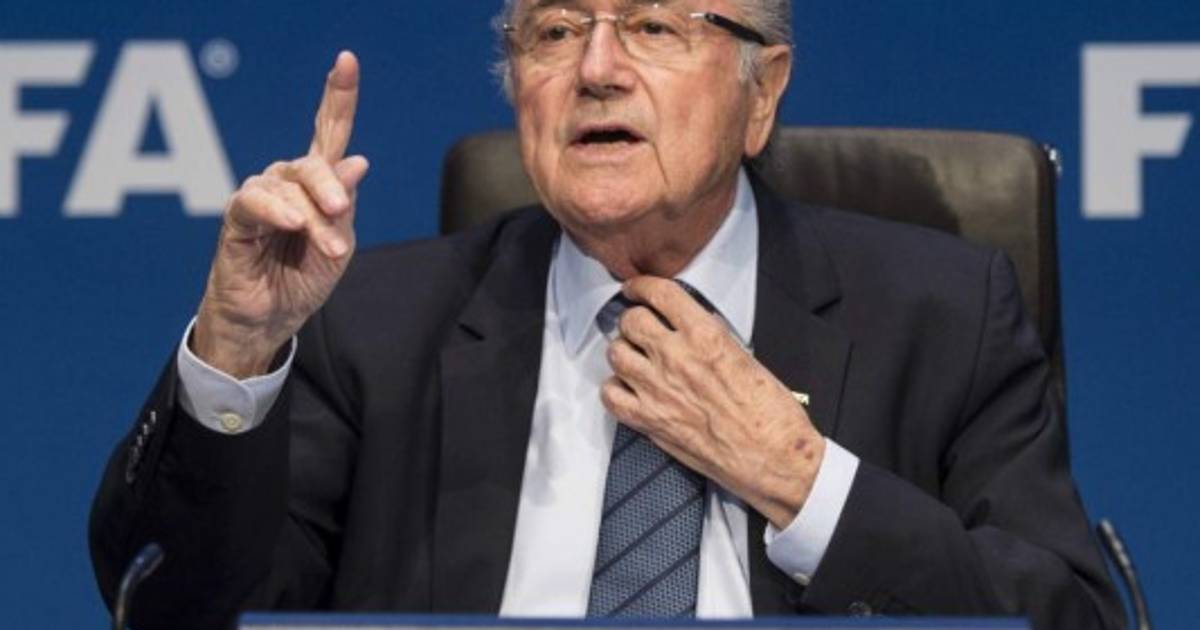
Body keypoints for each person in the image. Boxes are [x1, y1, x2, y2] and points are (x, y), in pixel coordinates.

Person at [89, 1, 1124, 629]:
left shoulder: (943, 315)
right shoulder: (371, 329)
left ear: (762, 92)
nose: (594, 70)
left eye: (654, 26)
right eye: (554, 31)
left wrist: (804, 484)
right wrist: (238, 347)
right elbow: (175, 608)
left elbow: (1069, 620)